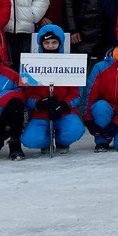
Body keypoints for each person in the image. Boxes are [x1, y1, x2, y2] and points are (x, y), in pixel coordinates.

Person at [19, 24, 86, 154]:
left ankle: (62, 141)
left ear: (60, 43)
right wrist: (38, 103)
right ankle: (45, 142)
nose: (50, 46)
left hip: (64, 112)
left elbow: (76, 93)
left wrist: (64, 105)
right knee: (30, 139)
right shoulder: (32, 64)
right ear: (41, 43)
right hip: (41, 113)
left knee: (74, 129)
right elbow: (26, 94)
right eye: (47, 42)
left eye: (54, 42)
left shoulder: (69, 63)